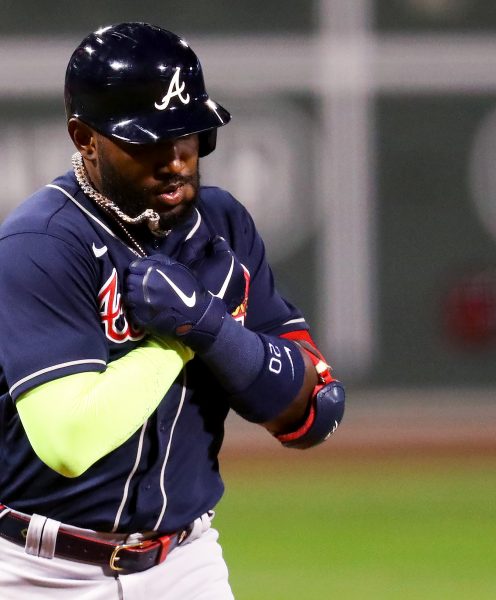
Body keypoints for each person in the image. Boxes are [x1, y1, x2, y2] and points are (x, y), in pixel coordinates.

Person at [0, 22, 345, 599]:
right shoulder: (42, 243)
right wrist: (181, 337)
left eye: (187, 134)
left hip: (185, 565)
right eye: (147, 141)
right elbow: (68, 441)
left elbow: (314, 410)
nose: (176, 160)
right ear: (84, 138)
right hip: (42, 572)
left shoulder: (222, 225)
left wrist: (212, 327)